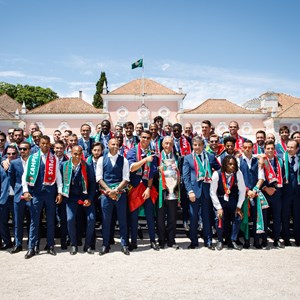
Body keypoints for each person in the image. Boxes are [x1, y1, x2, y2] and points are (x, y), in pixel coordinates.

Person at [22, 135, 63, 259]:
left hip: (50, 194)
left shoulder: (54, 158)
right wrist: (25, 191)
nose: (45, 146)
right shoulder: (32, 158)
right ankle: (32, 247)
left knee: (51, 221)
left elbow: (59, 177)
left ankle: (50, 245)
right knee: (34, 221)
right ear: (39, 144)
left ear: (50, 144)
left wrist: (60, 192)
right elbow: (24, 176)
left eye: (47, 143)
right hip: (36, 194)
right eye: (42, 143)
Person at [183, 136, 220, 250]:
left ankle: (208, 241)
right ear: (192, 146)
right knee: (193, 217)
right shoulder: (188, 158)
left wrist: (213, 177)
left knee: (206, 217)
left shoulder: (210, 156)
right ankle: (194, 241)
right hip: (194, 192)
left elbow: (219, 169)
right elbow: (186, 176)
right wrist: (189, 191)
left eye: (199, 145)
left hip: (207, 191)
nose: (197, 147)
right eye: (195, 145)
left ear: (203, 145)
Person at [127, 130, 159, 251]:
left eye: (147, 138)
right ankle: (134, 241)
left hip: (146, 187)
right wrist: (145, 160)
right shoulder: (133, 151)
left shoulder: (152, 153)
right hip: (135, 187)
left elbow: (151, 174)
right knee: (134, 216)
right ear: (140, 137)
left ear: (151, 139)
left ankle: (152, 240)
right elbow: (132, 168)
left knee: (150, 215)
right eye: (143, 137)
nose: (145, 139)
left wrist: (149, 188)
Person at [97, 138, 130, 255]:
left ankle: (124, 244)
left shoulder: (124, 160)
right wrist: (109, 190)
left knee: (122, 220)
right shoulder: (101, 159)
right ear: (108, 145)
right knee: (106, 221)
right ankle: (105, 245)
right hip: (106, 195)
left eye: (117, 144)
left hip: (120, 194)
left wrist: (116, 190)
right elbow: (99, 178)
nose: (115, 146)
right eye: (113, 144)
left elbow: (126, 178)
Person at [61, 146, 96, 255]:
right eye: (75, 154)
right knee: (70, 219)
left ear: (82, 155)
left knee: (91, 219)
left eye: (79, 154)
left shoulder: (87, 166)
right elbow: (59, 182)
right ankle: (74, 244)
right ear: (71, 153)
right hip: (71, 197)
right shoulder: (64, 166)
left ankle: (88, 245)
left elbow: (93, 183)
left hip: (85, 196)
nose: (77, 156)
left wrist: (90, 199)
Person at [210, 155, 246, 250]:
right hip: (220, 199)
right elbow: (213, 192)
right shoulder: (217, 174)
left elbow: (242, 190)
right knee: (219, 218)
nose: (232, 166)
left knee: (237, 217)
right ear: (225, 165)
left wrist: (238, 206)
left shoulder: (238, 173)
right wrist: (218, 208)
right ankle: (220, 240)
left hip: (232, 199)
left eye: (234, 164)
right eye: (230, 164)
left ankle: (233, 240)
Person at [239, 140, 265, 249]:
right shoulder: (238, 161)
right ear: (242, 148)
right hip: (243, 194)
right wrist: (246, 190)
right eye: (245, 147)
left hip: (255, 194)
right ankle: (246, 240)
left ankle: (256, 240)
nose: (247, 149)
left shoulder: (258, 161)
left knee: (256, 217)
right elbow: (237, 179)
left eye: (249, 147)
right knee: (244, 217)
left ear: (253, 148)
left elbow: (261, 178)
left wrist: (254, 190)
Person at [157, 136, 180, 249]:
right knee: (160, 217)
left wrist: (177, 171)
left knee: (172, 216)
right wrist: (158, 170)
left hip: (173, 190)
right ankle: (161, 239)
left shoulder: (177, 158)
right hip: (160, 190)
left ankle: (171, 239)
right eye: (166, 143)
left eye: (170, 144)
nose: (168, 146)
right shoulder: (157, 157)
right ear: (162, 144)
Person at [9, 141, 31, 253]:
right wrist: (19, 190)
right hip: (18, 195)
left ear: (29, 150)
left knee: (31, 221)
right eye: (21, 149)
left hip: (31, 195)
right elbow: (11, 179)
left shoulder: (34, 162)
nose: (22, 151)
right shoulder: (14, 163)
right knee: (18, 222)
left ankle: (31, 244)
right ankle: (18, 244)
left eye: (25, 149)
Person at [261, 140, 284, 248]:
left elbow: (283, 175)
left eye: (272, 148)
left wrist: (273, 188)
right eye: (268, 148)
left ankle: (276, 239)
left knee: (277, 218)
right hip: (264, 193)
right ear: (264, 149)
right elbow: (258, 176)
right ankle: (264, 239)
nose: (270, 150)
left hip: (276, 193)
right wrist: (265, 188)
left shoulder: (279, 161)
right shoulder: (262, 160)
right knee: (264, 218)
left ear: (274, 150)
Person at [172, 123, 192, 231]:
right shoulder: (167, 140)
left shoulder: (187, 141)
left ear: (181, 131)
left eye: (178, 131)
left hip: (184, 171)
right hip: (172, 172)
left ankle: (185, 221)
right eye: (174, 131)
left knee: (184, 198)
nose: (176, 133)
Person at [281, 139, 300, 246]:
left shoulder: (299, 159)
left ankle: (298, 239)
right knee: (285, 216)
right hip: (285, 193)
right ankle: (286, 239)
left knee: (298, 217)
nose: (289, 149)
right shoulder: (282, 159)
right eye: (288, 147)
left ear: (297, 149)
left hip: (297, 194)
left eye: (292, 147)